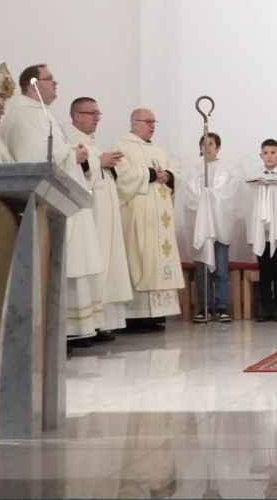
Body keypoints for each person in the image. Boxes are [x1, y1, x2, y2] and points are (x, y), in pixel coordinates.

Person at [2, 65, 107, 345]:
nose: (56, 83)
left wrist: (76, 155)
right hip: (46, 203)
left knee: (74, 263)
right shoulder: (23, 116)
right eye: (50, 79)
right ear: (33, 84)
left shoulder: (43, 114)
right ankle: (62, 332)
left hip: (64, 199)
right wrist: (73, 154)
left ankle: (76, 328)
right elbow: (33, 156)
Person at [69, 97, 136, 340]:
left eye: (99, 113)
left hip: (106, 215)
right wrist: (99, 162)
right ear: (77, 115)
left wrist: (106, 163)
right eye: (92, 113)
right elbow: (76, 173)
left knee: (107, 264)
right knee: (95, 267)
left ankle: (100, 322)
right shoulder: (71, 141)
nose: (97, 118)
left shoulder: (92, 144)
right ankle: (88, 326)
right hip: (92, 216)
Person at [115, 107, 186, 325]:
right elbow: (122, 178)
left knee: (159, 260)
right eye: (148, 121)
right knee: (141, 258)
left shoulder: (159, 151)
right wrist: (151, 174)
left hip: (160, 220)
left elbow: (177, 174)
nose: (152, 125)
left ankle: (158, 314)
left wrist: (169, 176)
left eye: (154, 122)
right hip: (139, 216)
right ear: (134, 123)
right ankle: (137, 316)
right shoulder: (122, 147)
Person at [182, 131, 243, 323]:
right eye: (204, 144)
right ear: (200, 148)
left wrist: (212, 196)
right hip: (202, 227)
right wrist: (204, 198)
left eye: (211, 144)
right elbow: (189, 196)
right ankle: (205, 307)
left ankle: (222, 307)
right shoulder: (194, 172)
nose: (207, 147)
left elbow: (230, 195)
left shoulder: (226, 171)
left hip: (220, 225)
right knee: (202, 269)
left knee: (221, 269)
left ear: (218, 147)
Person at [248, 139, 277, 320]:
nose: (269, 156)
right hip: (263, 231)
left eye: (273, 153)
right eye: (266, 153)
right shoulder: (255, 177)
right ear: (261, 155)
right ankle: (265, 306)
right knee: (265, 270)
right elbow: (252, 205)